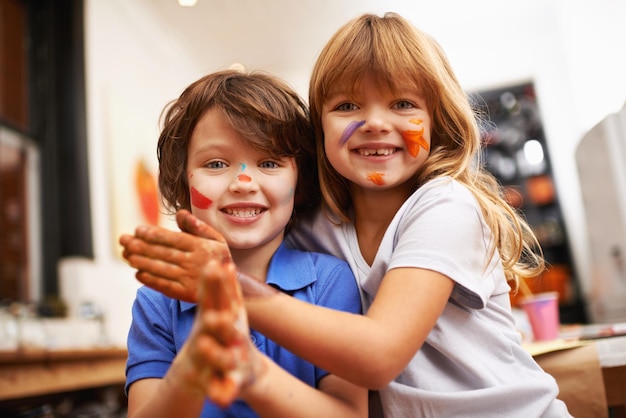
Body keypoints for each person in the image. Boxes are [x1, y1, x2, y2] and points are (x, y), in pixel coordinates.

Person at [121, 13, 573, 417]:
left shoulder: (446, 207)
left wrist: (225, 289)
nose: (374, 122)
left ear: (438, 119)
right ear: (319, 131)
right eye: (347, 106)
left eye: (402, 104)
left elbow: (379, 355)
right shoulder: (316, 227)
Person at [119, 69, 367, 418]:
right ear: (182, 180)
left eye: (269, 162)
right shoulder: (159, 301)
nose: (243, 182)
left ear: (301, 180)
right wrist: (196, 363)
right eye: (216, 163)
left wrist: (246, 367)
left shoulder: (329, 282)